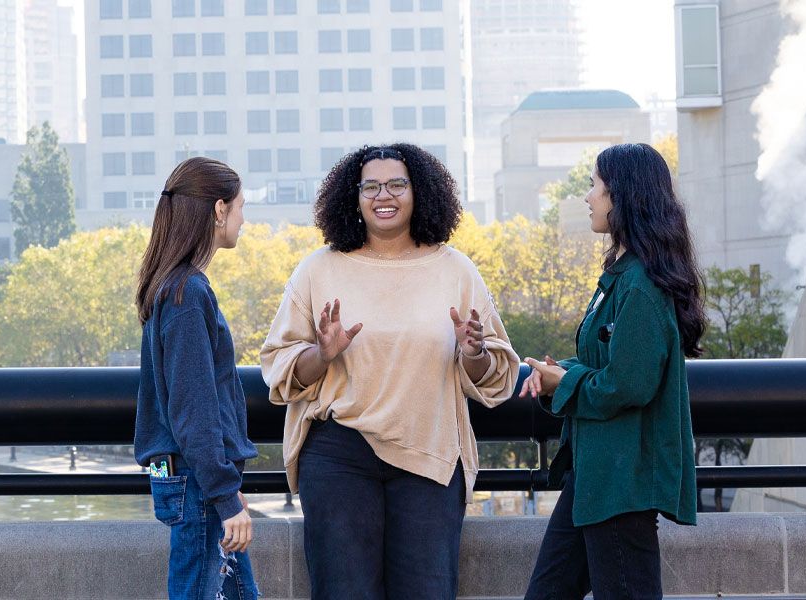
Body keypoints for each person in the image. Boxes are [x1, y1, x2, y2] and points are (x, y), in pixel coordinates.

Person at [260, 144, 519, 598]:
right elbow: (279, 368)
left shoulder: (457, 271)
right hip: (339, 453)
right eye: (372, 187)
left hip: (429, 453)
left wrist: (474, 351)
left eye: (397, 184)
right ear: (354, 196)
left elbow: (495, 376)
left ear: (419, 192)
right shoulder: (317, 270)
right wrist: (323, 353)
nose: (385, 195)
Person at [519, 143, 702, 599]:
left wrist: (566, 381)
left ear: (623, 195)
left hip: (622, 482)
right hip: (596, 475)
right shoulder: (624, 276)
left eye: (594, 185)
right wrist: (560, 371)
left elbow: (629, 384)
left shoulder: (640, 285)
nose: (587, 196)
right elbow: (610, 362)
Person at [133, 156, 259, 600]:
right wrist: (224, 494)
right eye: (241, 207)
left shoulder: (174, 287)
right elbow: (193, 409)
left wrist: (228, 490)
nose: (243, 219)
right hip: (198, 484)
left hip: (196, 479)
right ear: (219, 209)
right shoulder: (187, 294)